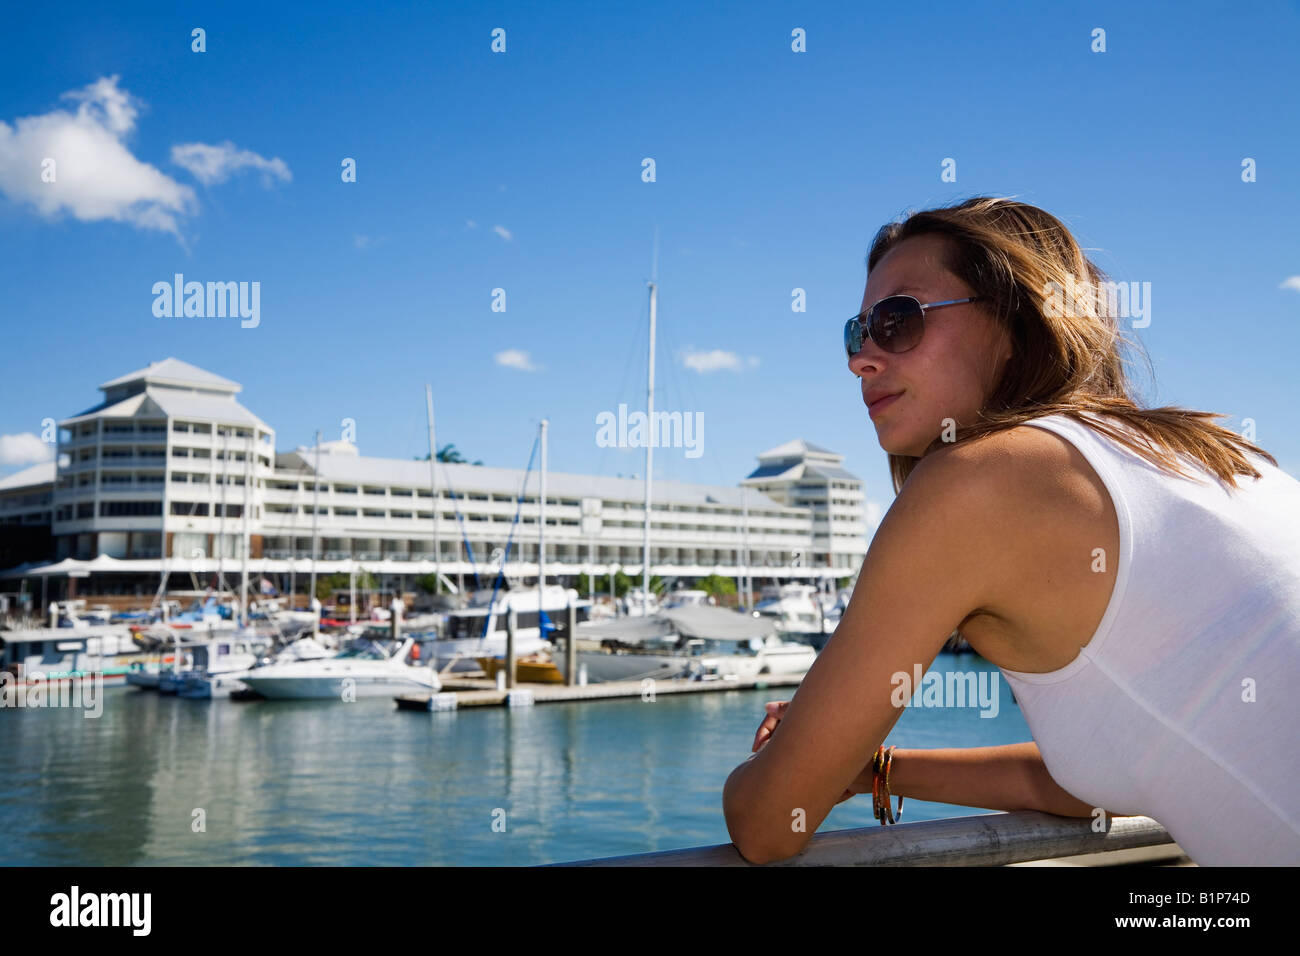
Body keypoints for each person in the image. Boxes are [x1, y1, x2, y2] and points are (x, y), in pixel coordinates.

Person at [723, 196, 1300, 866]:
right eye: (857, 333)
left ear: (1016, 321)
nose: (862, 358)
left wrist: (771, 770)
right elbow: (1120, 774)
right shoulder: (1208, 454)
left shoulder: (971, 484)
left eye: (897, 320)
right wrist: (878, 767)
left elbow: (768, 824)